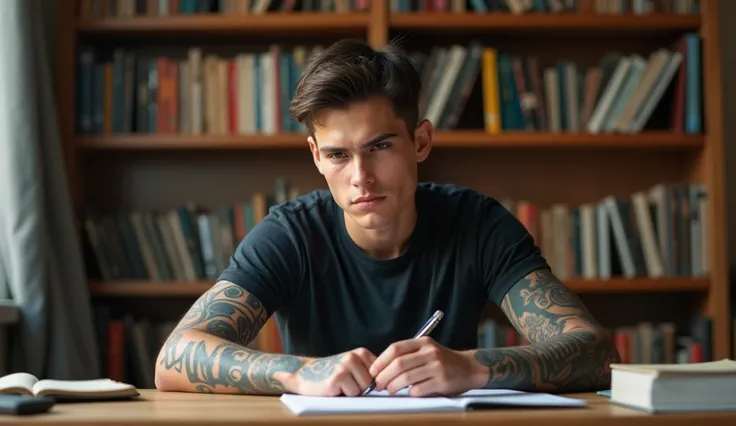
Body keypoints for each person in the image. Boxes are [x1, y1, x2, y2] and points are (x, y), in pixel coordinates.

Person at [154, 38, 620, 398]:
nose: (361, 177)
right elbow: (174, 357)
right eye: (338, 154)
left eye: (379, 147)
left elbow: (597, 353)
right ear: (316, 157)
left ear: (420, 142)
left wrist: (474, 367)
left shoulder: (476, 223)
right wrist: (299, 371)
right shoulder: (290, 234)